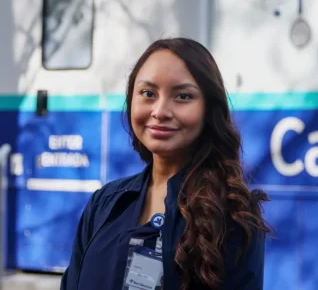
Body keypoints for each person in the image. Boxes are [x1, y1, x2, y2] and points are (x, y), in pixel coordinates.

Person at [59, 37, 272, 290]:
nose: (160, 111)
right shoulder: (104, 203)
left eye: (182, 96)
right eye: (148, 93)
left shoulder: (233, 214)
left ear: (208, 109)